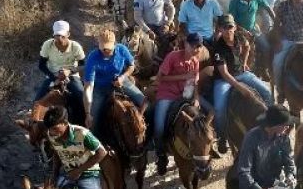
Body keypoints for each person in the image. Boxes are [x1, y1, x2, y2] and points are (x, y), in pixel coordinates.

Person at [209, 14, 274, 153]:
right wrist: (240, 88)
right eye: (224, 27)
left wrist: (244, 63)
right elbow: (224, 73)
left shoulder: (239, 38)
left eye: (230, 27)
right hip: (223, 80)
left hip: (241, 73)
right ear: (220, 29)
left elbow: (247, 46)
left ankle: (271, 121)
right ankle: (222, 136)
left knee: (267, 92)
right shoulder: (218, 47)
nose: (228, 30)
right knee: (220, 109)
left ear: (235, 27)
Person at [83, 28, 146, 143]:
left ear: (115, 44)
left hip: (121, 82)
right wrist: (88, 113)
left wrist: (123, 77)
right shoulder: (93, 57)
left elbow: (131, 66)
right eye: (103, 48)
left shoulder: (122, 49)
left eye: (108, 48)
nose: (106, 51)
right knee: (93, 120)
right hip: (100, 87)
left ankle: (147, 135)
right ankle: (97, 145)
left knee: (144, 102)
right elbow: (88, 87)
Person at [153, 33, 203, 174]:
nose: (196, 49)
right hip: (167, 94)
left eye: (199, 46)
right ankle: (161, 155)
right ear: (186, 44)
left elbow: (196, 82)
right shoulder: (173, 56)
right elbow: (159, 78)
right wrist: (183, 76)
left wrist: (197, 97)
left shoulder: (195, 61)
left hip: (185, 95)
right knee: (159, 126)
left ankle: (202, 149)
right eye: (193, 45)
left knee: (202, 121)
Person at [43, 106, 107, 189]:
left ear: (65, 123)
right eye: (50, 129)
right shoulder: (51, 135)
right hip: (67, 173)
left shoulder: (82, 134)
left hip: (88, 173)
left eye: (55, 128)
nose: (52, 132)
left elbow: (102, 152)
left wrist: (78, 171)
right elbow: (57, 153)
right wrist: (54, 175)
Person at [36, 21, 87, 123]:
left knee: (81, 96)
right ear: (53, 35)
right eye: (57, 36)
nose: (59, 39)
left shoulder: (75, 46)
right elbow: (41, 65)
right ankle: (34, 125)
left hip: (71, 76)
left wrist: (70, 71)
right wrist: (54, 78)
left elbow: (83, 64)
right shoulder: (47, 45)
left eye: (62, 36)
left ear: (68, 34)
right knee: (37, 102)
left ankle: (85, 122)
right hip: (53, 75)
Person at [229, 0, 275, 64]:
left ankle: (264, 69)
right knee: (242, 50)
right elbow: (231, 21)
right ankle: (242, 69)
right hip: (239, 31)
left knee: (266, 47)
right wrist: (243, 31)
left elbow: (268, 8)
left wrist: (276, 22)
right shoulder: (235, 1)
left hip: (253, 28)